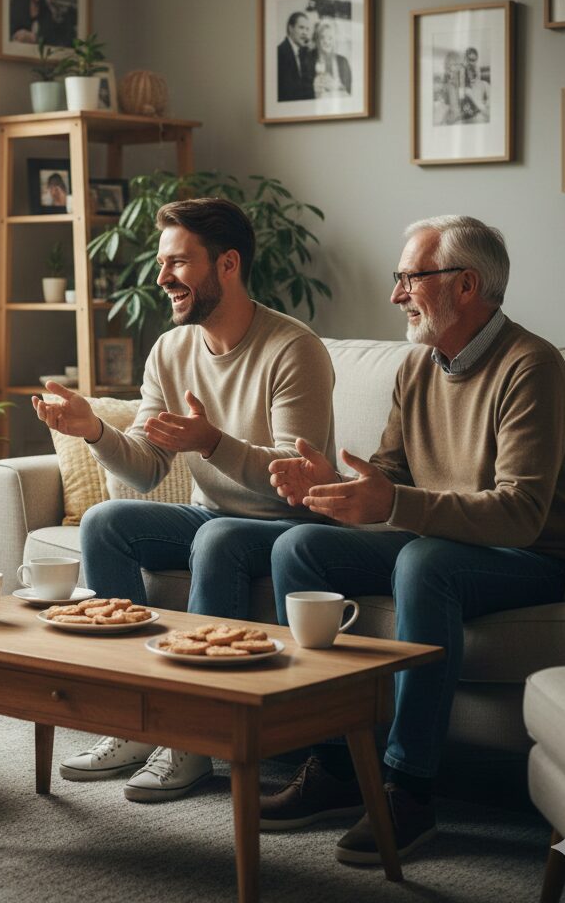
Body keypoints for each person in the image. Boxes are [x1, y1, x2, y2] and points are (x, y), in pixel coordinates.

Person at [262, 216, 565, 864]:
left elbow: (522, 513)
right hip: (439, 542)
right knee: (297, 547)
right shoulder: (419, 368)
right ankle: (333, 765)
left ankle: (409, 790)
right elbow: (392, 475)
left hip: (527, 556)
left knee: (423, 562)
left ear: (467, 285)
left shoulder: (532, 367)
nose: (396, 293)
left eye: (410, 277)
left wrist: (394, 503)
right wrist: (333, 486)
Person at [30, 197, 336, 802]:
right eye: (162, 262)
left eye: (178, 263)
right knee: (106, 520)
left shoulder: (293, 349)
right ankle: (132, 718)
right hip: (212, 515)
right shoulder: (171, 351)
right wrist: (93, 430)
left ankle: (194, 739)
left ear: (227, 264)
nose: (162, 278)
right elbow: (144, 471)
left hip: (287, 524)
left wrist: (215, 443)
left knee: (217, 536)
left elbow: (298, 477)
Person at [277, 11, 315, 101]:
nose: (305, 33)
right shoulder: (279, 53)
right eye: (301, 28)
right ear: (291, 28)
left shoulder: (304, 53)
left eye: (307, 29)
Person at [312, 20, 351, 98]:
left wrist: (336, 86)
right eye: (322, 37)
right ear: (317, 40)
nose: (326, 41)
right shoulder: (309, 61)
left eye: (330, 38)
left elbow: (349, 93)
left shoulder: (343, 61)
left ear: (335, 40)